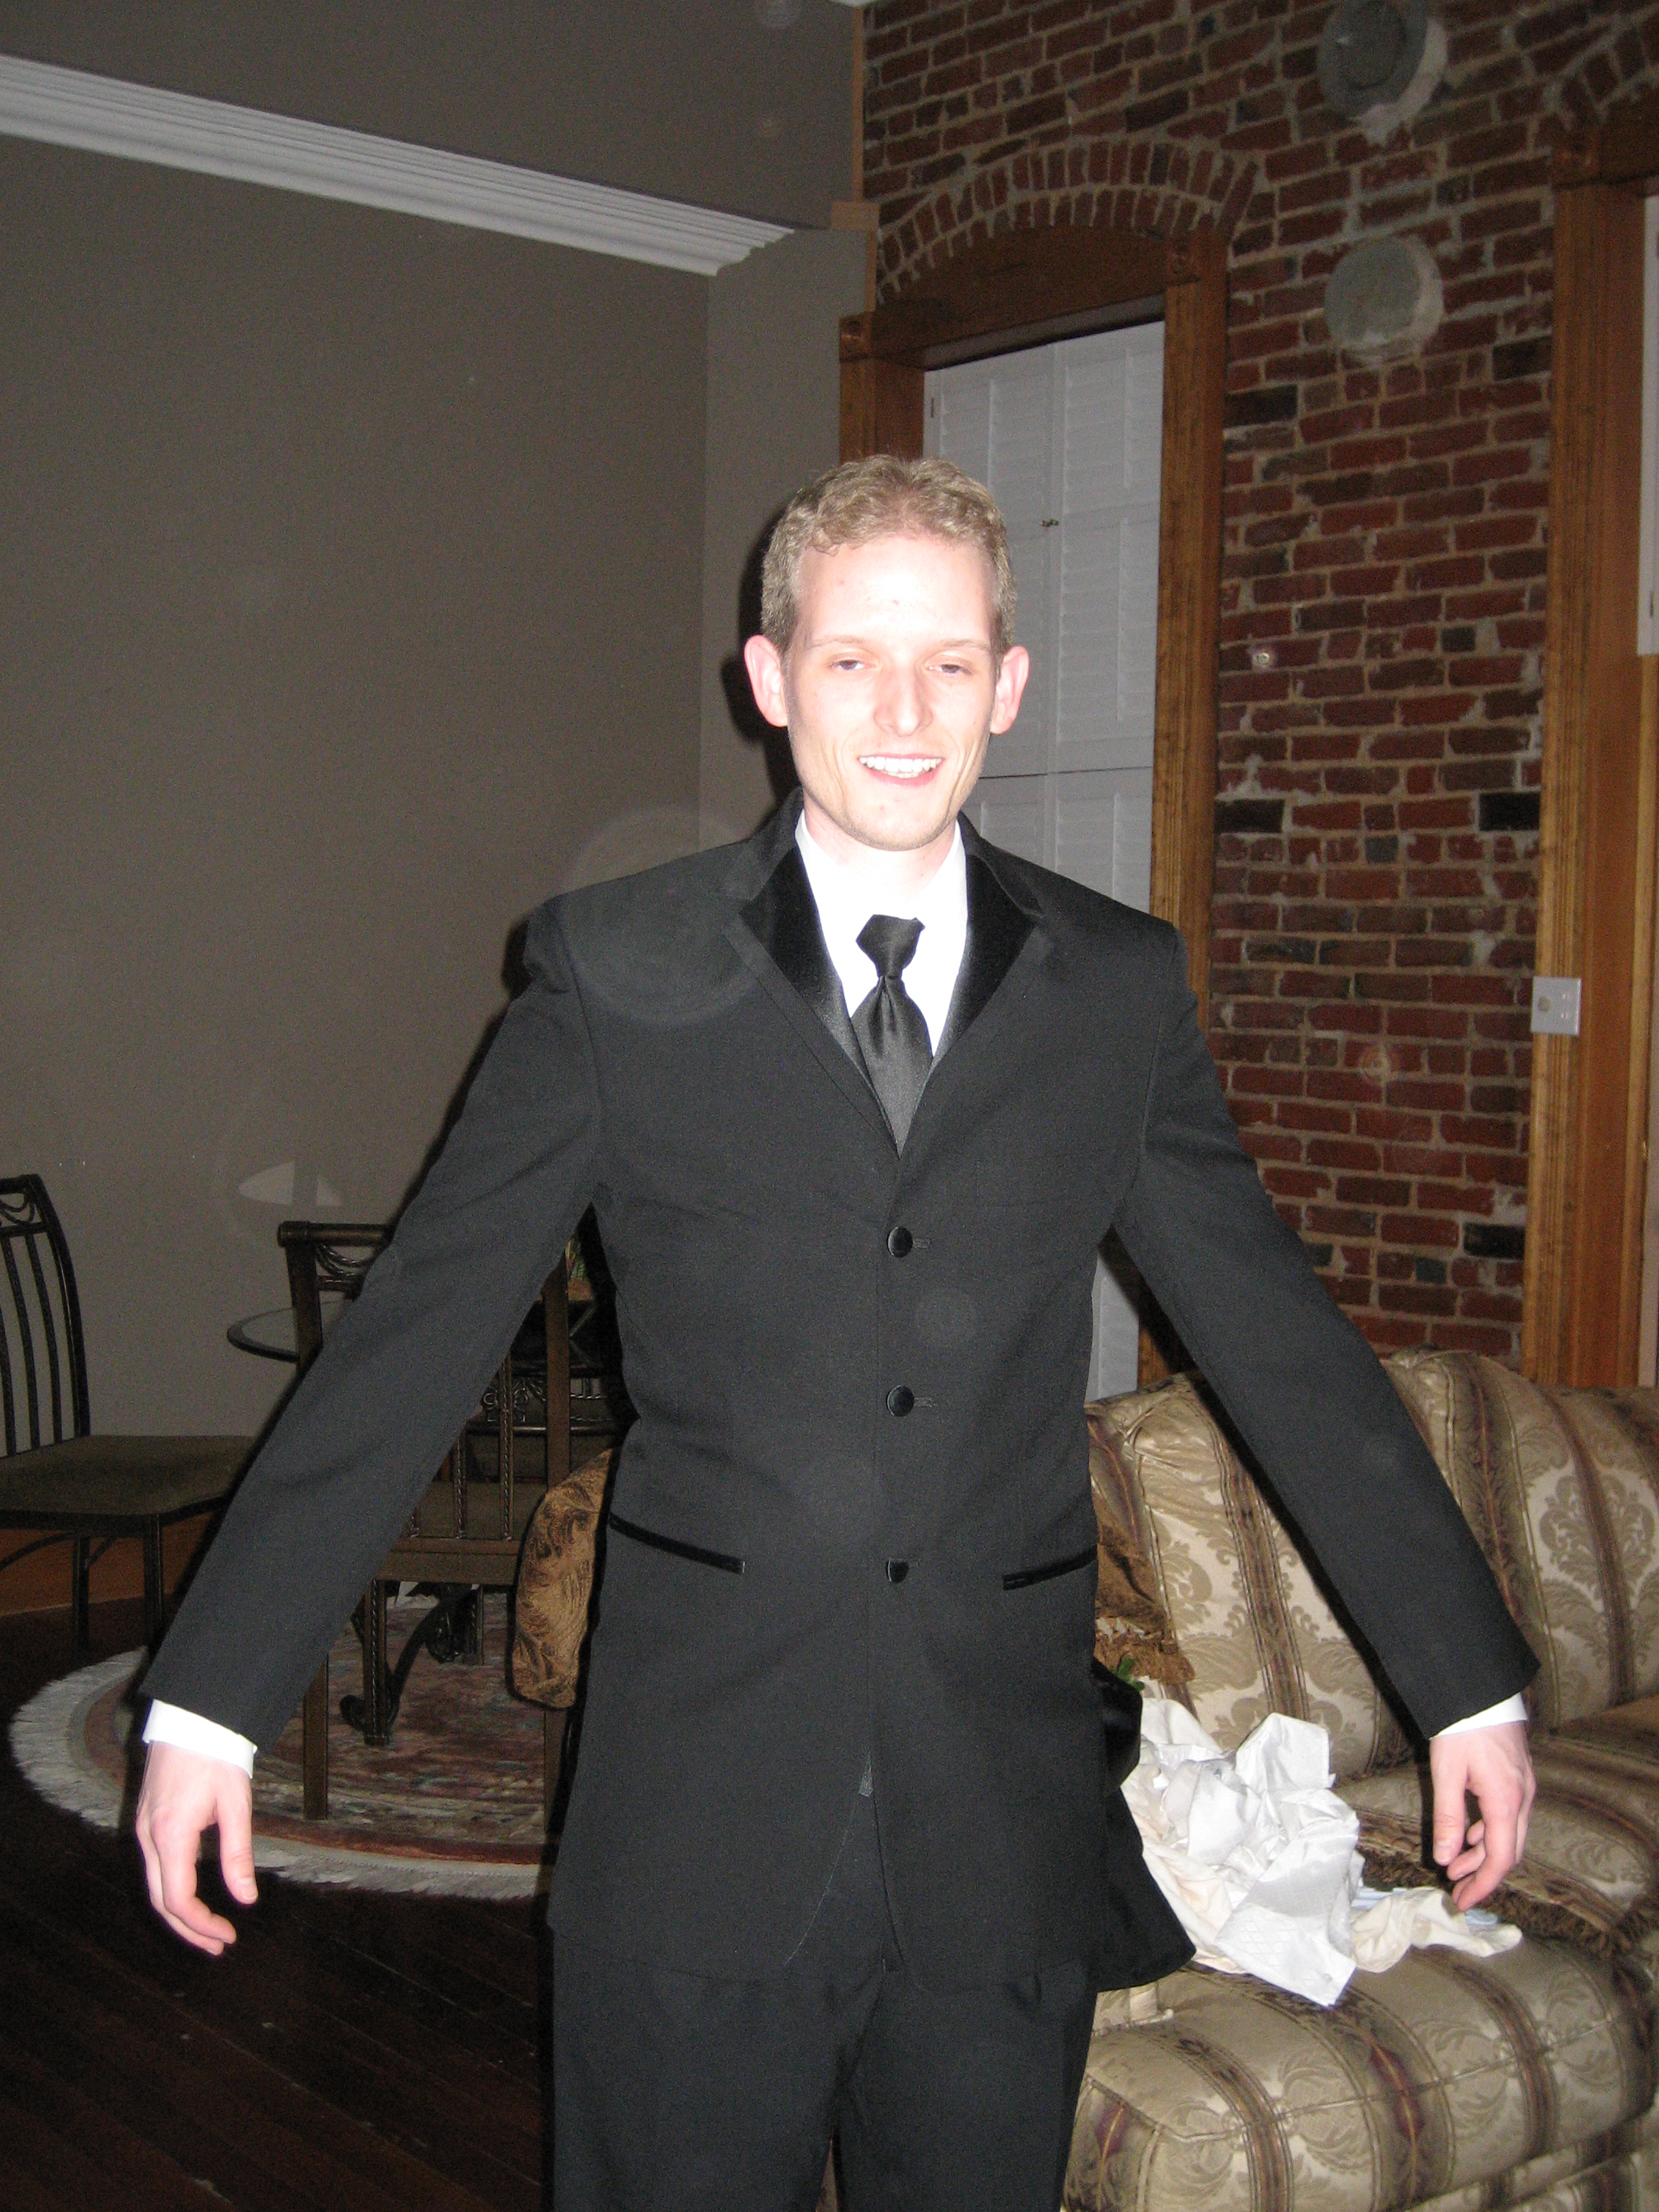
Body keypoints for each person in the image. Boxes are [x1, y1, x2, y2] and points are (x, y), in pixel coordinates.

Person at [137, 456, 1536, 2212]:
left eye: (949, 663)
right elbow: (412, 1335)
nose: (903, 712)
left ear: (1009, 686)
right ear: (769, 677)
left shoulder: (1115, 989)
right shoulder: (614, 970)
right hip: (697, 1817)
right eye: (853, 659)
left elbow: (1279, 1341)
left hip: (1001, 1825)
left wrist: (1466, 1677)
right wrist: (214, 1701)